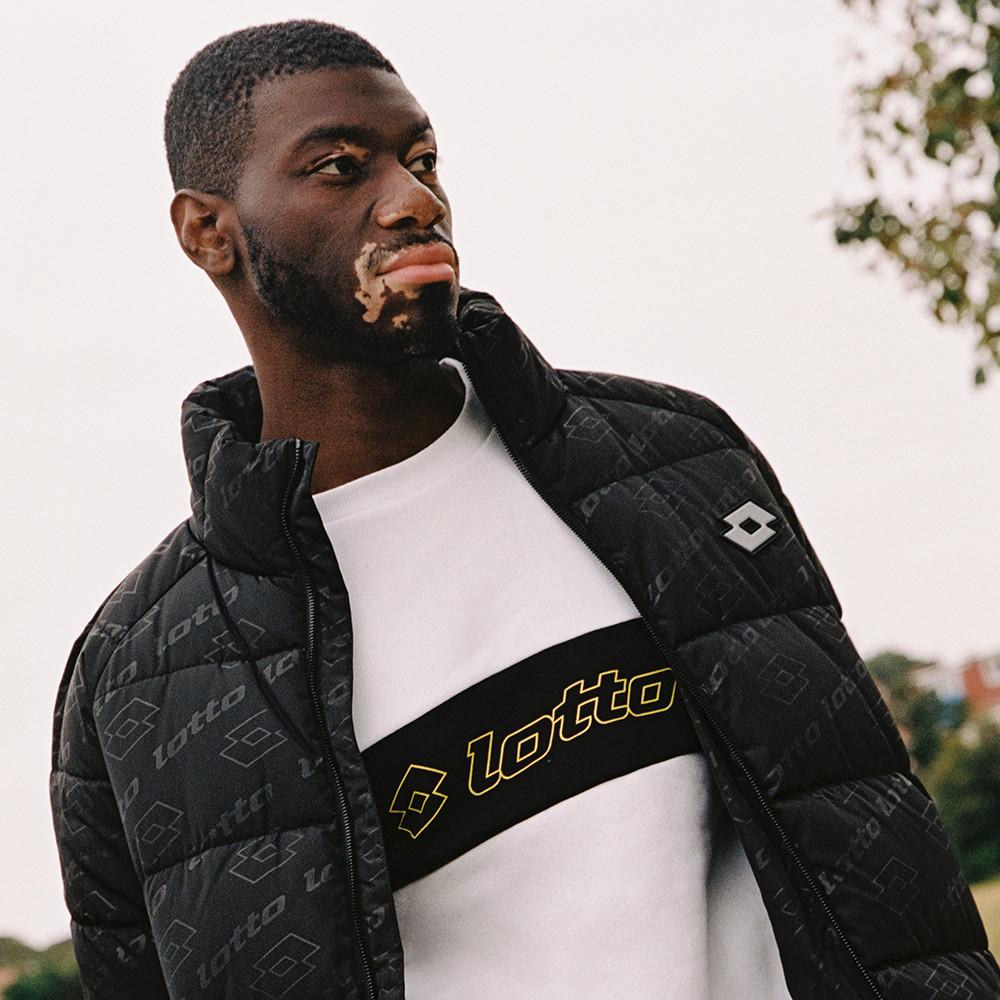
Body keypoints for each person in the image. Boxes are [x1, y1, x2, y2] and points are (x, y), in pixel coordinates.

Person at [48, 18, 998, 1000]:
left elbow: (885, 872)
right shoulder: (143, 676)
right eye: (340, 168)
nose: (414, 199)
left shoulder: (675, 467)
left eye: (423, 160)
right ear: (209, 233)